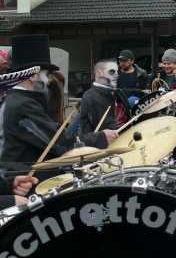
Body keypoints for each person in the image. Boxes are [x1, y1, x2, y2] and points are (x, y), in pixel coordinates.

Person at [1, 36, 117, 165]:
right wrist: (101, 138)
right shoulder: (23, 105)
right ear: (33, 76)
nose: (50, 80)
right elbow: (58, 143)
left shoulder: (15, 100)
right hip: (28, 182)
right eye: (47, 74)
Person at [80, 60, 131, 133]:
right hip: (106, 142)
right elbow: (105, 127)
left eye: (117, 71)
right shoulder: (91, 97)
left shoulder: (117, 92)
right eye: (111, 72)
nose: (117, 75)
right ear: (99, 73)